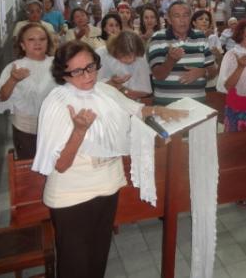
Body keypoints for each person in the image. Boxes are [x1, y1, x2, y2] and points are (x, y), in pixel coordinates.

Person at [32, 41, 187, 278]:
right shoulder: (57, 102)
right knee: (75, 266)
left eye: (91, 67)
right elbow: (60, 165)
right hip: (72, 196)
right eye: (77, 71)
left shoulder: (105, 90)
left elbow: (135, 110)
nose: (87, 75)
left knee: (98, 258)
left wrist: (159, 111)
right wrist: (79, 132)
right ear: (63, 74)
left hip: (107, 186)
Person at [0, 23, 56, 159]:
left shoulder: (57, 64)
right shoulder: (14, 67)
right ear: (22, 45)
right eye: (31, 40)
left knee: (53, 166)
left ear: (48, 42)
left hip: (54, 126)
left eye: (42, 39)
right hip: (25, 129)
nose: (37, 43)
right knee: (29, 170)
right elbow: (2, 97)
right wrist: (13, 80)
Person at [148, 2, 217, 105]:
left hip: (197, 106)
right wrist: (170, 61)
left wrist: (202, 72)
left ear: (190, 17)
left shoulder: (201, 37)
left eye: (186, 15)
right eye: (177, 16)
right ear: (169, 20)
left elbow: (213, 71)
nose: (182, 20)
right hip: (166, 108)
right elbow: (158, 75)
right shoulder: (158, 38)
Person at [97, 31, 152, 101]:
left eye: (134, 57)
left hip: (132, 104)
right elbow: (95, 85)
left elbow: (145, 92)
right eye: (127, 56)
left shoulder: (140, 57)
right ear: (117, 49)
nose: (131, 60)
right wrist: (113, 83)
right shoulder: (102, 54)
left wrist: (124, 91)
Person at [191, 10, 223, 91]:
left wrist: (218, 55)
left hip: (212, 79)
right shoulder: (188, 38)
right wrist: (204, 37)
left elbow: (220, 60)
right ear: (194, 23)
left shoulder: (213, 37)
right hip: (194, 80)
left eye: (207, 19)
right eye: (201, 19)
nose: (204, 21)